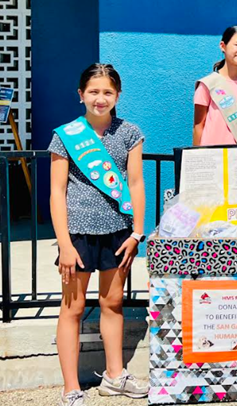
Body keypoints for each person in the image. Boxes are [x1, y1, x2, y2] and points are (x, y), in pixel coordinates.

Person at [49, 64, 148, 405]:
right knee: (72, 308)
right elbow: (57, 192)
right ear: (81, 95)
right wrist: (64, 244)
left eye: (107, 92)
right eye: (93, 91)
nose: (100, 98)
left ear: (118, 95)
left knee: (113, 303)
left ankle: (115, 376)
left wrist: (137, 233)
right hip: (77, 235)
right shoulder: (66, 136)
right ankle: (70, 387)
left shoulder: (130, 133)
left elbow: (136, 183)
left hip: (118, 232)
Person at [193, 25, 237, 146]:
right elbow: (198, 127)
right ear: (223, 46)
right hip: (212, 154)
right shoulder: (208, 84)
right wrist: (196, 155)